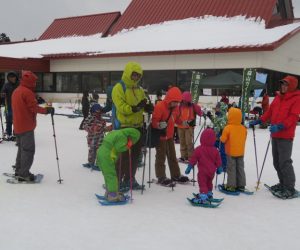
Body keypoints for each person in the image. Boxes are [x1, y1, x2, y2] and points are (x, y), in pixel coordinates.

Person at [250, 75, 300, 199]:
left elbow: (294, 117)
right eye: (282, 84)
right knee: (276, 162)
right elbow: (270, 112)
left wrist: (280, 126)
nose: (283, 86)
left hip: (285, 136)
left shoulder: (296, 99)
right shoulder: (278, 98)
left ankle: (290, 188)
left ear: (292, 86)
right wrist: (259, 120)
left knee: (285, 162)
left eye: (286, 84)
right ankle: (283, 183)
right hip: (275, 134)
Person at [12, 71, 54, 182]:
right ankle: (23, 173)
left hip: (18, 125)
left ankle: (18, 169)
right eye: (34, 81)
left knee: (22, 149)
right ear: (30, 81)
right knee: (28, 150)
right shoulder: (27, 92)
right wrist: (46, 110)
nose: (35, 83)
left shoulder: (16, 91)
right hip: (26, 126)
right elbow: (34, 108)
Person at [112, 62, 148, 190]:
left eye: (138, 76)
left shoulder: (139, 89)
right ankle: (116, 181)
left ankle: (129, 179)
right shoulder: (119, 87)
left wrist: (147, 106)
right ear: (128, 73)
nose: (135, 78)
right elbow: (120, 106)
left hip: (137, 126)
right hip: (124, 126)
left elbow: (144, 101)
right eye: (134, 75)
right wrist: (133, 108)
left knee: (135, 156)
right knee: (124, 155)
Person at [151, 87, 190, 186]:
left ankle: (176, 175)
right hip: (160, 137)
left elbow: (177, 119)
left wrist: (183, 122)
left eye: (178, 102)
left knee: (172, 156)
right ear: (169, 99)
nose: (176, 104)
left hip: (169, 136)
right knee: (161, 157)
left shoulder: (176, 108)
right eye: (175, 102)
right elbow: (154, 121)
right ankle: (161, 176)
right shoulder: (160, 107)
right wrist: (158, 125)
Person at [96, 128, 141, 202]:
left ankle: (108, 192)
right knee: (112, 175)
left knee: (107, 174)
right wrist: (128, 146)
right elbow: (119, 148)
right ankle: (113, 195)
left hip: (101, 152)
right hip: (108, 155)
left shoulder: (116, 132)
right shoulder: (122, 136)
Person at [185, 128, 222, 203]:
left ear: (202, 138)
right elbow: (218, 160)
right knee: (209, 182)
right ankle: (209, 193)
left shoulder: (199, 149)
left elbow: (193, 159)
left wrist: (189, 167)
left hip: (203, 171)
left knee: (202, 183)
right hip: (212, 172)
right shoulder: (215, 150)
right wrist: (219, 168)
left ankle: (203, 196)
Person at [220, 107, 247, 192]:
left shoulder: (228, 128)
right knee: (240, 168)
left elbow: (223, 140)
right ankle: (241, 185)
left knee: (231, 168)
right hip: (241, 152)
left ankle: (231, 186)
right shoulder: (243, 128)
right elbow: (244, 138)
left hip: (230, 152)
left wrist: (220, 137)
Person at [177, 91, 202, 163]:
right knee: (182, 142)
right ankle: (183, 156)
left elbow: (200, 113)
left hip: (189, 127)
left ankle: (190, 157)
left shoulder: (193, 106)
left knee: (189, 142)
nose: (184, 101)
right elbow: (176, 114)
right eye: (184, 100)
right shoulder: (179, 106)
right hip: (180, 126)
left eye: (186, 100)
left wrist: (199, 111)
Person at [82, 103, 108, 170]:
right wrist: (92, 128)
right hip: (92, 138)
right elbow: (84, 126)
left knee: (99, 151)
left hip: (100, 138)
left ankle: (98, 164)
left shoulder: (102, 119)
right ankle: (90, 163)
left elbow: (103, 128)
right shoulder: (90, 117)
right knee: (92, 150)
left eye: (99, 111)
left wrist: (107, 128)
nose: (98, 112)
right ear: (93, 111)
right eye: (96, 111)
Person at [0, 71, 19, 140]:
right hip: (9, 104)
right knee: (9, 119)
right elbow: (2, 92)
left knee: (17, 120)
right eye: (10, 77)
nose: (11, 78)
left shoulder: (19, 84)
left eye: (13, 77)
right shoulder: (6, 85)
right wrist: (2, 94)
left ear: (15, 77)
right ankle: (8, 133)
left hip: (18, 105)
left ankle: (16, 133)